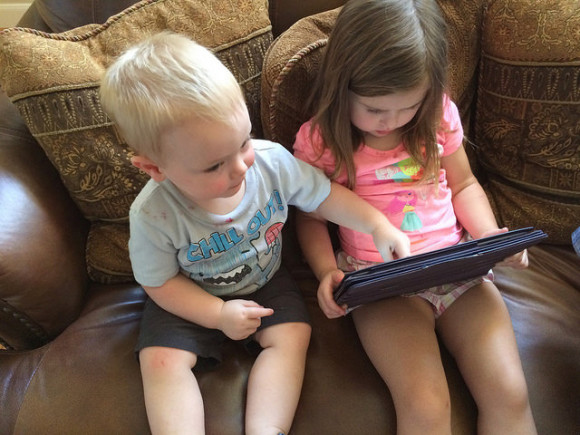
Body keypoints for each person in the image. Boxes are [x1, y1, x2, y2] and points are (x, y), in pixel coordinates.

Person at [99, 32, 409, 435]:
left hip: (265, 279)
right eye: (214, 165)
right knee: (159, 360)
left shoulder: (270, 163)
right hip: (189, 295)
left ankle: (267, 429)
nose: (241, 168)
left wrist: (377, 224)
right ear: (155, 169)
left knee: (293, 335)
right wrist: (216, 315)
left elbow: (324, 196)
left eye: (243, 142)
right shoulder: (153, 214)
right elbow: (159, 283)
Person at [293, 0, 537, 433]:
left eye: (407, 107)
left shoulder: (437, 114)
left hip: (457, 268)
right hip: (382, 283)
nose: (390, 122)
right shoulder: (321, 140)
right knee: (425, 405)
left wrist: (488, 236)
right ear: (341, 84)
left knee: (510, 391)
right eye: (374, 109)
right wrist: (327, 271)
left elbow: (464, 185)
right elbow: (311, 218)